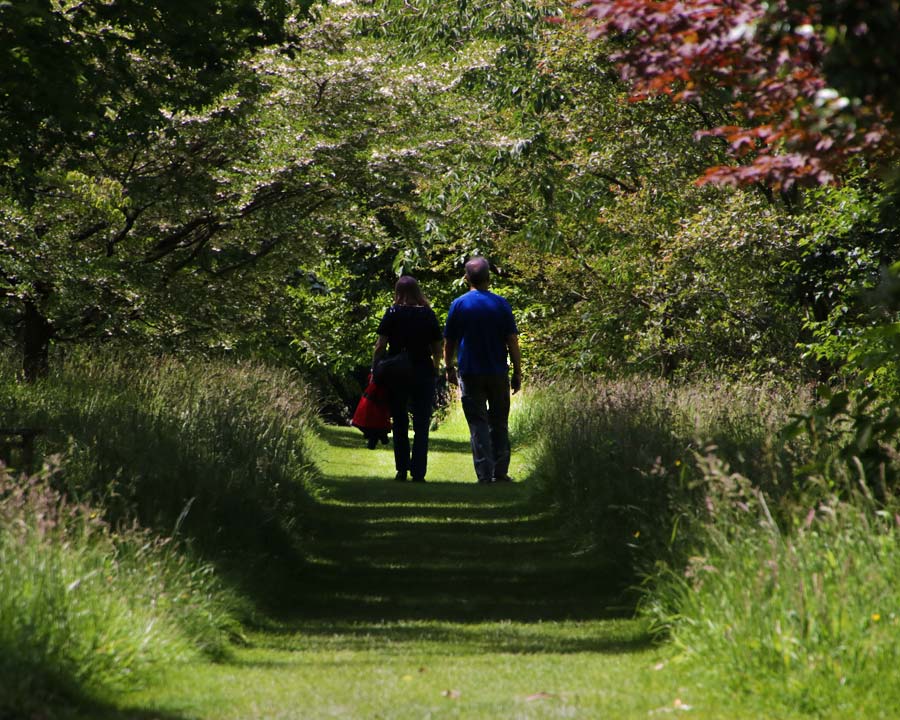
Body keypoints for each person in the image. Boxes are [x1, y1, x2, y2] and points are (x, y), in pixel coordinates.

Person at [443, 257, 522, 484]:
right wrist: (517, 371)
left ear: (466, 278)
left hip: (470, 371)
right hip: (497, 371)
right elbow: (512, 341)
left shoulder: (459, 304)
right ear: (489, 277)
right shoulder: (501, 304)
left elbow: (449, 341)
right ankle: (501, 471)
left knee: (477, 422)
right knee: (499, 421)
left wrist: (448, 367)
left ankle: (484, 474)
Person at [372, 275, 442, 482]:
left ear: (397, 292)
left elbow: (380, 345)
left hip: (397, 372)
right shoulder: (428, 315)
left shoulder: (392, 313)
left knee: (400, 420)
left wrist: (376, 368)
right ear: (417, 291)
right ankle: (419, 472)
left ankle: (401, 469)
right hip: (422, 370)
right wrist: (436, 368)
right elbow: (437, 347)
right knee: (422, 422)